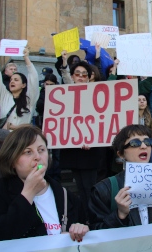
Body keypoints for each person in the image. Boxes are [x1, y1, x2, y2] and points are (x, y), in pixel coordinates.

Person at [0, 125, 88, 242]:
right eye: (28, 152)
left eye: (41, 150)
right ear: (12, 160)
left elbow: (84, 231)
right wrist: (27, 194)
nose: (37, 157)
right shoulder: (0, 192)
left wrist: (79, 230)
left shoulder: (65, 195)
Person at [88, 125, 152, 229]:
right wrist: (120, 215)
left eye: (148, 142)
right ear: (121, 154)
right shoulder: (103, 190)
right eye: (135, 143)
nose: (144, 146)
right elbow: (96, 232)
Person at [59, 61, 104, 216]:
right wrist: (64, 64)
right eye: (77, 74)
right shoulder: (67, 91)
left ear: (89, 77)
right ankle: (85, 216)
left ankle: (93, 216)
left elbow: (101, 118)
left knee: (90, 186)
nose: (80, 76)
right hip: (74, 149)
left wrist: (93, 139)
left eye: (84, 74)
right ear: (72, 76)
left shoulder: (96, 92)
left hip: (91, 149)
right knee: (80, 186)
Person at [0, 46, 39, 130]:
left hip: (23, 140)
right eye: (11, 80)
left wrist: (26, 58)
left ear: (23, 85)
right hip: (6, 140)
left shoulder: (29, 99)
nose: (12, 82)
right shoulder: (4, 97)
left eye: (16, 80)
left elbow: (34, 78)